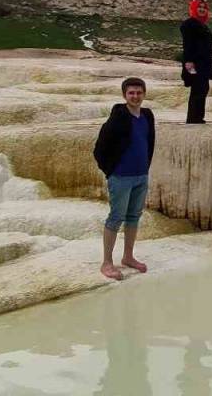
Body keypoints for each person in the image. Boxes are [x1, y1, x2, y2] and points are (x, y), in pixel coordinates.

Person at [92, 77, 156, 279]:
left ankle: (128, 256)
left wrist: (145, 167)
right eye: (131, 93)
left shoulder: (147, 115)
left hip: (140, 175)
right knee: (116, 217)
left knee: (133, 217)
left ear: (144, 94)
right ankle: (107, 263)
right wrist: (110, 170)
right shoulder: (118, 117)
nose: (135, 96)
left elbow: (149, 141)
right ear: (124, 95)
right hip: (121, 177)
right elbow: (100, 148)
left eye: (139, 92)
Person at [180, 0, 212, 124]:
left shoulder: (203, 25)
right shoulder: (189, 24)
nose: (202, 9)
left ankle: (198, 117)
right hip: (194, 63)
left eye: (204, 7)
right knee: (198, 89)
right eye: (199, 7)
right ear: (194, 8)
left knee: (202, 88)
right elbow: (188, 44)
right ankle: (193, 119)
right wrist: (189, 62)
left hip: (204, 64)